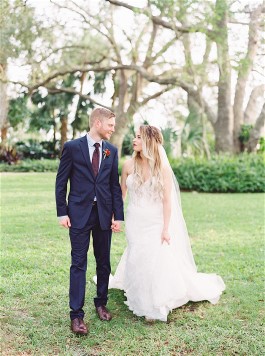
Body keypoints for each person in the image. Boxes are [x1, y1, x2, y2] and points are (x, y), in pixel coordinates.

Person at [109, 125, 225, 322]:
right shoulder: (128, 166)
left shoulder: (162, 167)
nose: (134, 140)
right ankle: (139, 292)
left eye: (138, 137)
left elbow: (167, 201)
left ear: (148, 141)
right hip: (135, 219)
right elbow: (121, 195)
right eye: (134, 137)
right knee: (137, 254)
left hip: (155, 221)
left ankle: (154, 303)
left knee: (154, 259)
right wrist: (115, 217)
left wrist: (165, 228)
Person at [55, 107, 124, 335]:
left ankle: (101, 303)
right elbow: (61, 181)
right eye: (110, 125)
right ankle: (76, 315)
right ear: (97, 123)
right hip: (78, 214)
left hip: (104, 214)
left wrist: (118, 216)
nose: (113, 129)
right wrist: (62, 212)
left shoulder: (111, 151)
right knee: (78, 263)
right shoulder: (72, 148)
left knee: (103, 261)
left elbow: (114, 186)